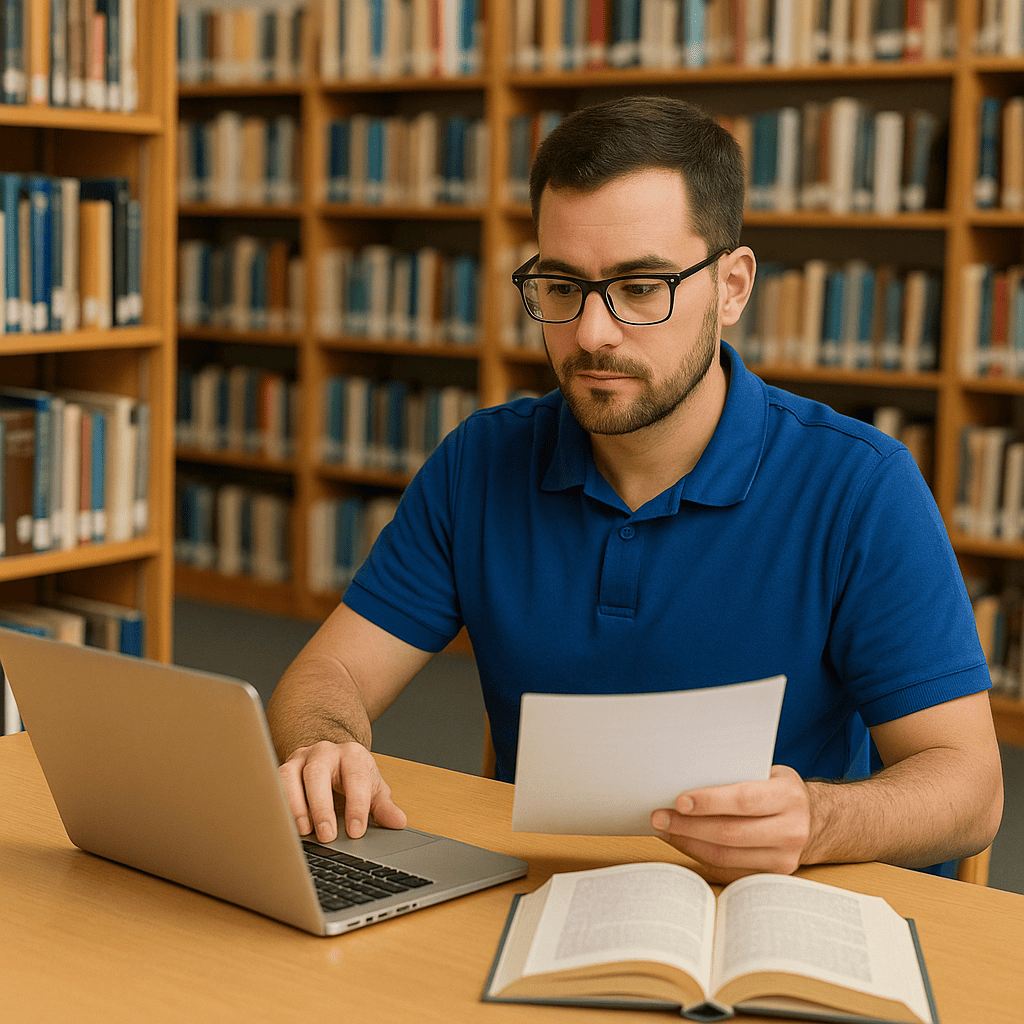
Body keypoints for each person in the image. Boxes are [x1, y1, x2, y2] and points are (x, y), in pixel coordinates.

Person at [267, 95, 1002, 883]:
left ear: (732, 286)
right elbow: (327, 677)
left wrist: (819, 821)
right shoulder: (480, 460)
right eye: (561, 286)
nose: (592, 334)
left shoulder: (860, 485)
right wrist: (322, 744)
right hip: (536, 895)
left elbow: (970, 788)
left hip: (770, 902)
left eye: (642, 286)